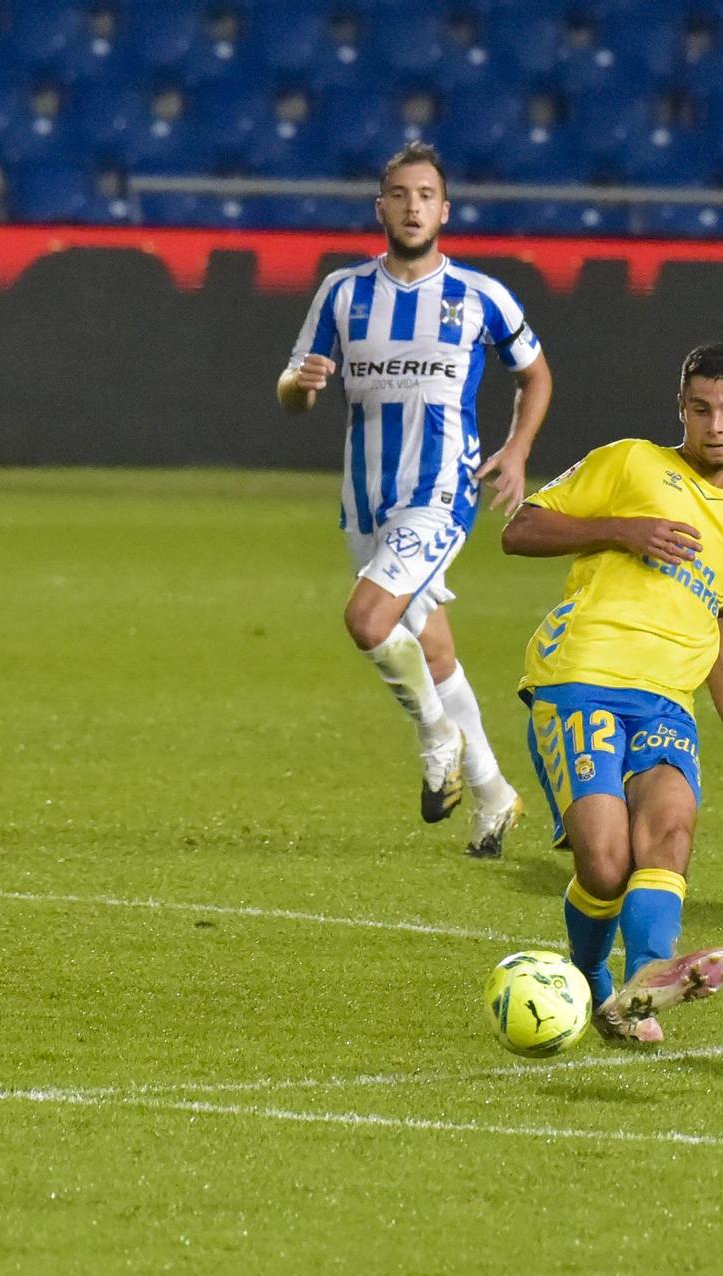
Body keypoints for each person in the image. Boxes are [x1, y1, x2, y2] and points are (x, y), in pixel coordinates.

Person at [501, 343, 723, 1044]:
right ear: (682, 409)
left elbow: (718, 611)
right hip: (583, 677)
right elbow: (521, 529)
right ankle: (595, 986)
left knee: (668, 833)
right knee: (604, 865)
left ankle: (648, 981)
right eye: (701, 410)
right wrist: (623, 529)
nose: (715, 426)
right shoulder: (632, 461)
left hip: (667, 700)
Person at [277, 142, 552, 857]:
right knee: (431, 650)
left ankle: (438, 740)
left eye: (425, 194)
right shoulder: (342, 292)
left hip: (440, 493)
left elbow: (538, 376)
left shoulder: (481, 295)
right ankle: (493, 794)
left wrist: (517, 451)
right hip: (365, 500)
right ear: (381, 208)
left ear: (445, 209)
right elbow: (291, 392)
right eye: (399, 194)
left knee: (368, 620)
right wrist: (301, 387)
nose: (412, 207)